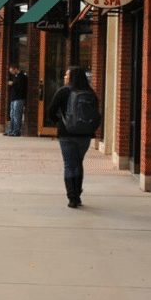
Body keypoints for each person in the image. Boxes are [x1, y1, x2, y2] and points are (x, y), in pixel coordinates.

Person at [47, 66, 98, 208]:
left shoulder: (63, 91)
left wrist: (59, 123)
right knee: (78, 163)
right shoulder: (90, 92)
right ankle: (78, 195)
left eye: (67, 75)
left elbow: (51, 111)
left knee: (69, 164)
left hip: (67, 134)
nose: (64, 77)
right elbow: (96, 116)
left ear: (72, 77)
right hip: (85, 135)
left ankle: (72, 197)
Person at [4, 65, 27, 136]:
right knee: (12, 115)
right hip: (13, 98)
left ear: (15, 69)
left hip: (19, 98)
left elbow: (21, 87)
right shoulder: (15, 77)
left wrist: (13, 84)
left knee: (17, 116)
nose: (11, 73)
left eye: (11, 71)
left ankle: (16, 131)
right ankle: (10, 131)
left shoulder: (22, 77)